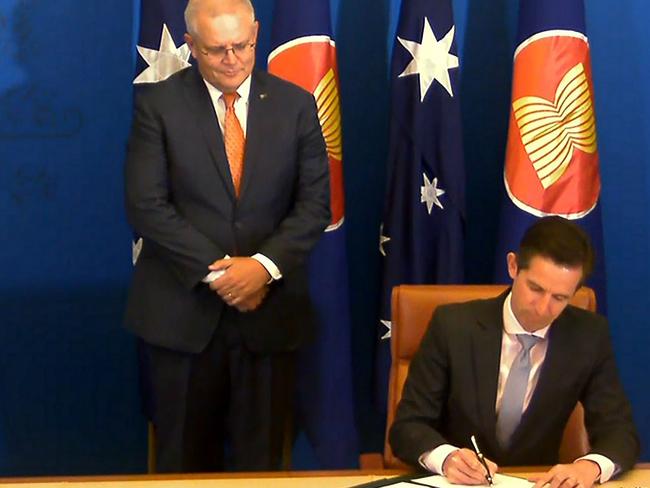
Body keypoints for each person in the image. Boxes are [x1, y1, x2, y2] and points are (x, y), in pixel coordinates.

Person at [124, 0, 330, 473]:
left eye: (242, 45)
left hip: (270, 315)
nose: (233, 58)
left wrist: (262, 269)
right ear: (192, 45)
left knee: (261, 468)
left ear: (256, 33)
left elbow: (314, 205)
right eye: (218, 50)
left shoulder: (296, 105)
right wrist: (223, 275)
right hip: (183, 319)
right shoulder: (158, 105)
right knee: (183, 464)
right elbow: (146, 206)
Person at [389, 216, 639, 488]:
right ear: (513, 266)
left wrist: (590, 466)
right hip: (459, 485)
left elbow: (620, 432)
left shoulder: (588, 335)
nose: (543, 308)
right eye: (535, 288)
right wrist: (447, 458)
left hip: (535, 482)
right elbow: (407, 427)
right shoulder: (452, 326)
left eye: (559, 298)